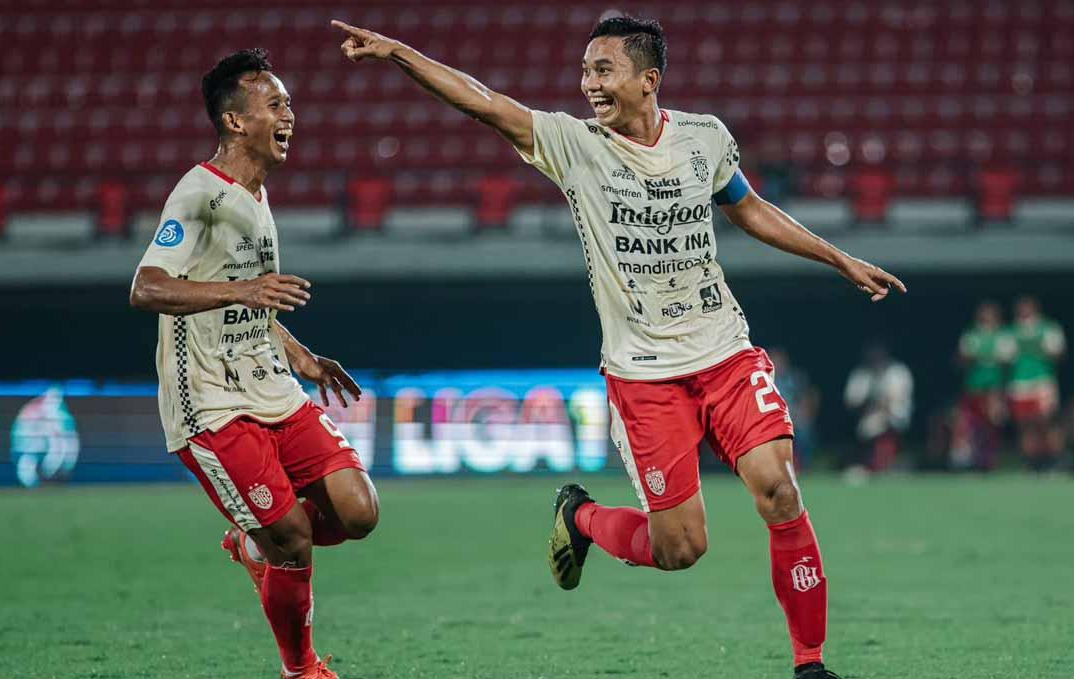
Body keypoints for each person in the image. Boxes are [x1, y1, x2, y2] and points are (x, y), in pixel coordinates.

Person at [332, 16, 905, 678]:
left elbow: (747, 208)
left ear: (647, 80)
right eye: (584, 72)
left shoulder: (705, 138)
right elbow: (483, 101)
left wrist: (838, 258)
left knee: (778, 487)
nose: (588, 84)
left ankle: (810, 664)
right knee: (681, 547)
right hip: (644, 376)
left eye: (602, 71)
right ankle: (581, 516)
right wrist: (400, 51)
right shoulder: (575, 146)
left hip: (724, 351)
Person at [128, 49, 378, 679]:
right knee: (292, 538)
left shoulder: (257, 197)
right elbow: (147, 288)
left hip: (271, 387)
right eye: (276, 104)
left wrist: (301, 355)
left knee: (358, 511)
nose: (289, 114)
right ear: (236, 122)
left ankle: (251, 541)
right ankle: (303, 669)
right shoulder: (198, 196)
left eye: (288, 103)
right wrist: (243, 292)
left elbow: (252, 299)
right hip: (209, 402)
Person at [951, 301, 1014, 470]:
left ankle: (989, 461)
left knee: (993, 425)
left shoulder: (1003, 335)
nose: (986, 317)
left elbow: (1008, 360)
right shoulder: (971, 335)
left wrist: (981, 357)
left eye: (990, 313)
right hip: (974, 388)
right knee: (969, 426)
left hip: (994, 389)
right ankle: (969, 461)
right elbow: (962, 358)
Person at [1005, 296, 1066, 472]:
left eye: (1028, 306)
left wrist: (1044, 351)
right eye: (1022, 307)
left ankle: (1053, 459)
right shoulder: (1011, 331)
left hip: (1042, 382)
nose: (1025, 310)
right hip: (1019, 384)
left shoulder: (1048, 328)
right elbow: (1004, 360)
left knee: (1046, 422)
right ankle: (1031, 463)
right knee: (1025, 425)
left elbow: (1059, 354)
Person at [843, 344, 914, 475]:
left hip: (895, 416)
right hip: (868, 417)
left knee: (885, 422)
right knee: (868, 426)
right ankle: (872, 464)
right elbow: (851, 401)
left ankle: (887, 463)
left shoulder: (898, 371)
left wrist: (883, 404)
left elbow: (898, 399)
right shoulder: (861, 374)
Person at [767, 347, 821, 468]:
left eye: (780, 360)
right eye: (774, 359)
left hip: (794, 416)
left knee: (804, 431)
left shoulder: (795, 377)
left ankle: (805, 466)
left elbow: (810, 394)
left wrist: (805, 413)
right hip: (772, 419)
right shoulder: (765, 378)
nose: (777, 363)